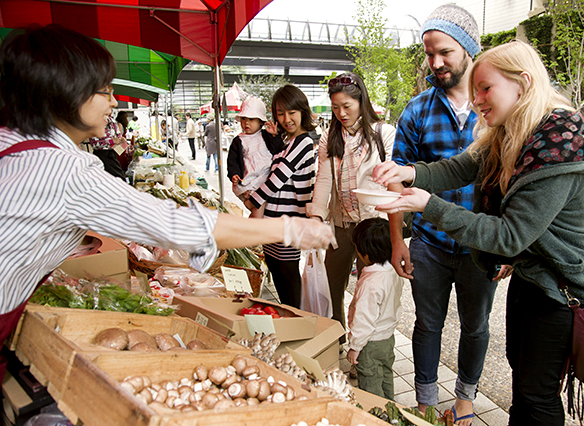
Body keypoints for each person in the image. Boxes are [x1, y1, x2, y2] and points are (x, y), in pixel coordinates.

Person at [0, 24, 334, 384]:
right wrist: (287, 227)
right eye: (104, 90)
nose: (113, 102)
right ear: (64, 94)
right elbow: (177, 225)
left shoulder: (13, 141)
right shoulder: (61, 168)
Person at [374, 40, 584, 426]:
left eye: (486, 88)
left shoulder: (556, 145)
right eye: (475, 90)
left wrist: (427, 205)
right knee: (524, 388)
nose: (478, 99)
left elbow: (509, 236)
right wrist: (410, 172)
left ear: (523, 82)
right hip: (531, 280)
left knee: (537, 397)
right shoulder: (510, 131)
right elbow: (459, 168)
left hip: (560, 290)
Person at [385, 5, 500, 424]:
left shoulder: (495, 108)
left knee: (476, 326)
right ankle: (425, 404)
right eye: (429, 54)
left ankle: (466, 402)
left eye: (445, 52)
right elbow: (398, 182)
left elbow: (508, 181)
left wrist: (508, 247)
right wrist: (399, 239)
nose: (435, 63)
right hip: (431, 243)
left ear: (469, 49)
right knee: (427, 324)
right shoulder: (416, 110)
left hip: (481, 244)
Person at [306, 72, 395, 334]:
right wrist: (316, 219)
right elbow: (323, 180)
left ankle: (364, 347)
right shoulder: (329, 137)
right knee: (332, 284)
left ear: (361, 102)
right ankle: (336, 339)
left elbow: (394, 178)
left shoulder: (383, 133)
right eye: (335, 107)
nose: (341, 113)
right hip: (341, 224)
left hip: (373, 227)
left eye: (347, 106)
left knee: (369, 288)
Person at [244, 85, 317, 309]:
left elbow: (276, 178)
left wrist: (252, 202)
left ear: (302, 111)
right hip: (274, 223)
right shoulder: (287, 143)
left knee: (289, 281)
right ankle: (288, 322)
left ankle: (295, 325)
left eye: (291, 112)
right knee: (279, 278)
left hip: (288, 223)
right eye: (280, 113)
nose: (286, 119)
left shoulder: (303, 142)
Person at [346, 218, 403, 400]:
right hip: (387, 338)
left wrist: (354, 347)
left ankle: (376, 414)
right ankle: (390, 409)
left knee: (370, 383)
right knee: (386, 375)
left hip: (369, 343)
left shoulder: (370, 284)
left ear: (366, 255)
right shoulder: (393, 270)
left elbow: (364, 320)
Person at [227, 96, 283, 204]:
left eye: (251, 119)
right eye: (243, 118)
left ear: (261, 121)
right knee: (256, 205)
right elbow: (232, 161)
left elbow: (278, 150)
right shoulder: (238, 140)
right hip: (248, 180)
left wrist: (275, 136)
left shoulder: (266, 135)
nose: (246, 123)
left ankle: (255, 218)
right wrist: (234, 174)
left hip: (266, 176)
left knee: (261, 206)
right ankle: (254, 217)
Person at [86, 114, 127, 180]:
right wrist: (112, 141)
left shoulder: (112, 121)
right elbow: (95, 143)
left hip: (113, 153)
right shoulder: (95, 121)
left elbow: (118, 135)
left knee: (119, 178)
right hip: (102, 154)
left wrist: (121, 139)